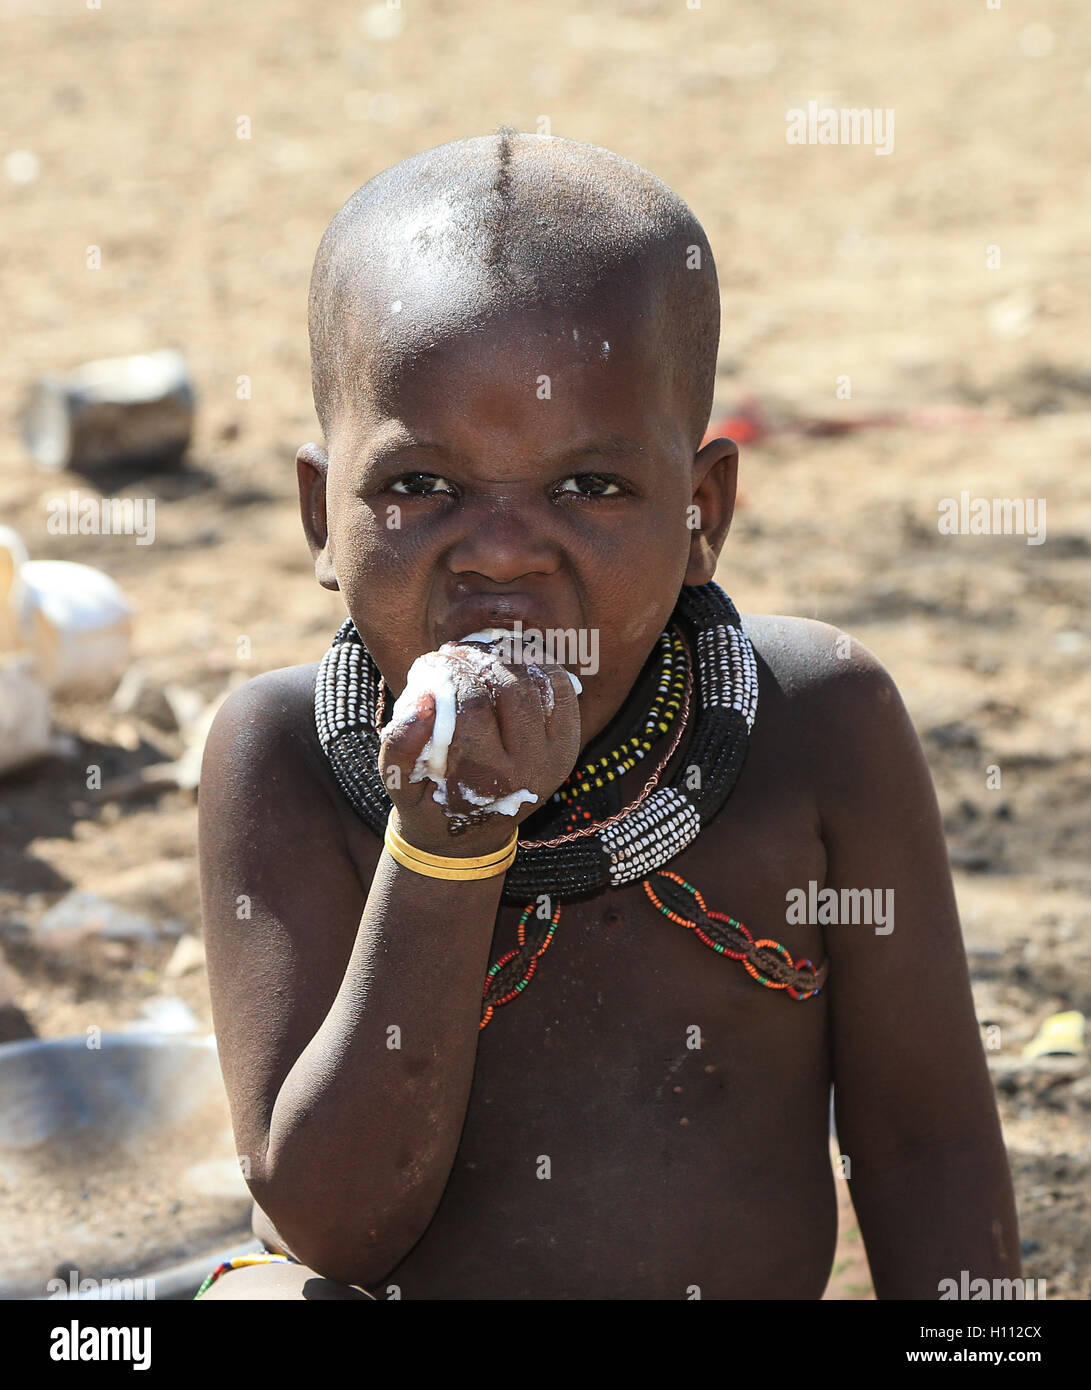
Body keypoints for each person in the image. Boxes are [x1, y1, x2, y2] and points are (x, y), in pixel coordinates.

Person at [195, 129, 1020, 1300]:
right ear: (322, 514)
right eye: (418, 485)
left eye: (588, 487)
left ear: (700, 513)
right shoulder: (281, 757)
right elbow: (332, 1228)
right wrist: (444, 843)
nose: (499, 554)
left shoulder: (818, 727)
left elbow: (923, 1146)